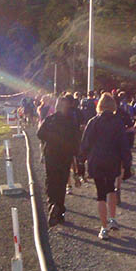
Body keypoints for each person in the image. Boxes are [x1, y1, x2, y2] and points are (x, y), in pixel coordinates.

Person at [80, 93, 133, 240]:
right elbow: (123, 144)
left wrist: (81, 161)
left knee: (100, 194)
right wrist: (127, 163)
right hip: (112, 160)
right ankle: (113, 218)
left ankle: (103, 227)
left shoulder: (93, 122)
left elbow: (85, 143)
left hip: (96, 160)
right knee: (111, 188)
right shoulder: (118, 122)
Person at [37, 96, 82, 227]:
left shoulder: (50, 120)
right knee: (62, 183)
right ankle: (60, 210)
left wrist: (51, 139)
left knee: (51, 181)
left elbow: (40, 134)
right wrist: (76, 157)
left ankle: (52, 204)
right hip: (65, 156)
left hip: (51, 155)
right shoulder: (71, 122)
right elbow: (76, 141)